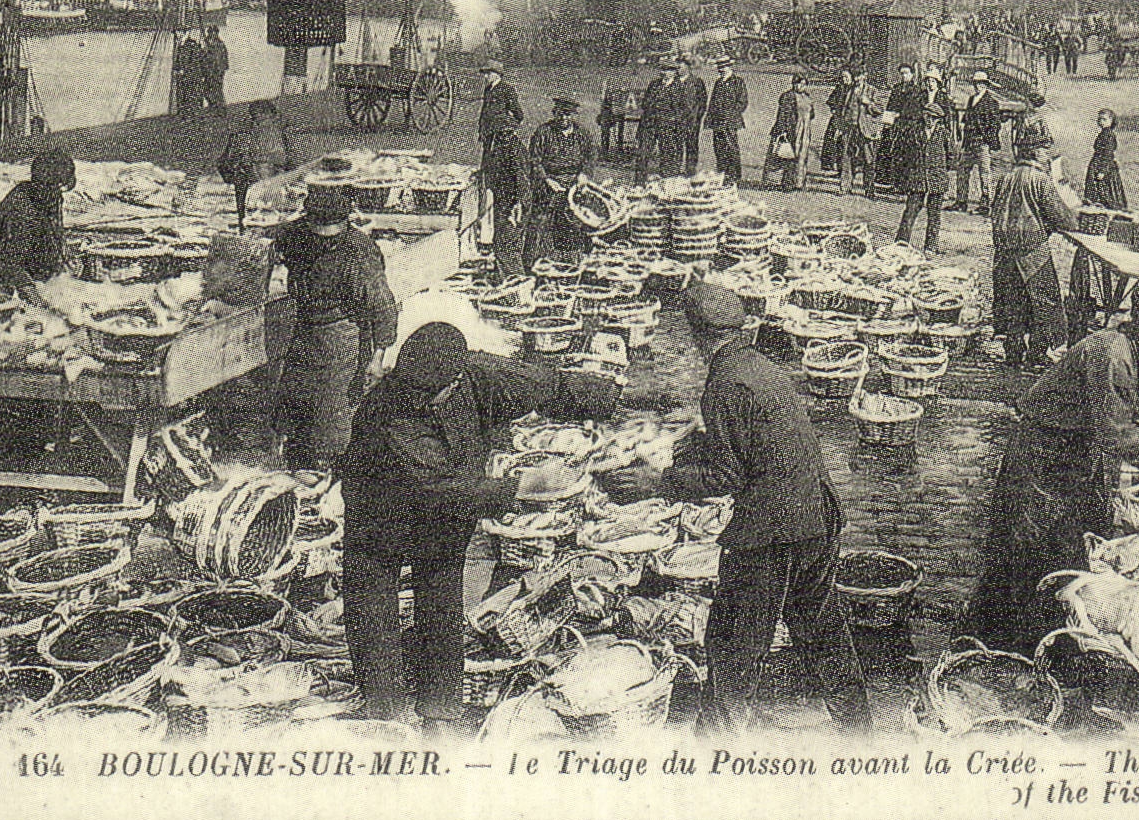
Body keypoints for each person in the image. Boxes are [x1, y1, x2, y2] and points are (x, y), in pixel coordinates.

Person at [339, 322, 620, 730]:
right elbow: (444, 490)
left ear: (455, 379)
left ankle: (441, 712)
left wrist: (611, 399)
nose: (417, 397)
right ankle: (386, 717)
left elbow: (545, 384)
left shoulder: (476, 374)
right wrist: (527, 483)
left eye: (427, 391)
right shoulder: (386, 415)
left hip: (442, 519)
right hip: (379, 518)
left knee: (441, 602)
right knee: (371, 611)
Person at [963, 280, 1139, 680]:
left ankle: (1052, 636)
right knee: (1026, 546)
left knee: (1076, 543)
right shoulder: (1110, 352)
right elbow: (1114, 433)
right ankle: (999, 646)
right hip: (1043, 453)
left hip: (1079, 455)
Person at [660, 283, 872, 735]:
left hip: (771, 532)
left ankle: (712, 753)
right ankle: (860, 732)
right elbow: (763, 442)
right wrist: (699, 441)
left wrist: (660, 482)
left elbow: (726, 478)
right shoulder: (761, 368)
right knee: (822, 631)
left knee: (734, 645)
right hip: (816, 517)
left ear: (695, 334)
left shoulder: (724, 383)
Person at [272, 186, 399, 471]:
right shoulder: (294, 236)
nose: (323, 238)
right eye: (317, 228)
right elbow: (270, 249)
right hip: (303, 330)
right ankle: (297, 468)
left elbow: (383, 308)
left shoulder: (359, 253)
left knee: (334, 416)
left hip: (342, 336)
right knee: (295, 407)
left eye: (330, 230)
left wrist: (376, 358)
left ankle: (335, 472)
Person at [991, 132, 1077, 369]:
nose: (1048, 155)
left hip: (1005, 249)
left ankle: (1013, 351)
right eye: (1044, 150)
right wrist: (1076, 222)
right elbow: (1060, 216)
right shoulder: (1039, 179)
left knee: (1013, 301)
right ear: (1034, 152)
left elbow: (994, 211)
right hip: (1031, 249)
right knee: (1044, 301)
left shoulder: (1005, 178)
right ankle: (1037, 354)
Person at [0, 150, 76, 306]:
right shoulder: (20, 209)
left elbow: (55, 233)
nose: (59, 195)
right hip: (13, 289)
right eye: (56, 188)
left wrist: (66, 256)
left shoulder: (50, 197)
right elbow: (8, 265)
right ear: (43, 185)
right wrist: (40, 304)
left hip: (46, 280)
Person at [522, 96, 595, 267]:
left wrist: (584, 174)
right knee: (540, 221)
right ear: (555, 114)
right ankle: (534, 262)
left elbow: (591, 157)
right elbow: (534, 160)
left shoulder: (582, 134)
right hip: (549, 181)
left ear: (573, 116)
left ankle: (576, 258)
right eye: (560, 115)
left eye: (567, 115)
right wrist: (546, 179)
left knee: (581, 217)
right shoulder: (543, 132)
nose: (563, 119)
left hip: (574, 181)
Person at [217, 100, 295, 230]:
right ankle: (245, 220)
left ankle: (253, 218)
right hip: (254, 171)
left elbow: (283, 158)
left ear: (270, 115)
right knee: (242, 180)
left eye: (261, 115)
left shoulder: (276, 132)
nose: (259, 119)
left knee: (258, 176)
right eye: (256, 116)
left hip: (272, 173)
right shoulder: (250, 132)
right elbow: (231, 157)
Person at [477, 59, 526, 267]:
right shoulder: (489, 89)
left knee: (497, 170)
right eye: (485, 73)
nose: (486, 76)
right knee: (487, 171)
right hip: (489, 137)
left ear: (497, 74)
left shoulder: (506, 89)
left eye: (488, 73)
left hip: (499, 135)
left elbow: (519, 113)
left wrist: (506, 126)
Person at [896, 102, 953, 253]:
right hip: (918, 177)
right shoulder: (914, 132)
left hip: (937, 178)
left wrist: (941, 170)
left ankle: (931, 246)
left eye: (934, 118)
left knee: (934, 214)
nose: (930, 120)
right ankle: (901, 243)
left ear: (938, 120)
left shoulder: (944, 134)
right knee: (911, 211)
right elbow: (903, 153)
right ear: (923, 115)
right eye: (928, 116)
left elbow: (951, 156)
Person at [955, 70, 1000, 215]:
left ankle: (985, 204)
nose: (978, 86)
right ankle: (961, 201)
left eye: (981, 83)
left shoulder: (991, 102)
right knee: (962, 170)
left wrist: (987, 140)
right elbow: (966, 118)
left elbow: (995, 125)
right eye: (976, 83)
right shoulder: (971, 99)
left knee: (984, 173)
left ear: (986, 85)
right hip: (969, 142)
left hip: (982, 143)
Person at [762, 74, 814, 191]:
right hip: (790, 129)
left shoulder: (807, 98)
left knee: (800, 157)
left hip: (804, 131)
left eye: (804, 84)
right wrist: (783, 131)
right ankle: (782, 183)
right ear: (794, 84)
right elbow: (783, 115)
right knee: (785, 156)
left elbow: (812, 114)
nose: (801, 86)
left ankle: (798, 182)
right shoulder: (788, 96)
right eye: (798, 83)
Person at [638, 59, 686, 181]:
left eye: (668, 70)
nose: (664, 73)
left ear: (674, 72)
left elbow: (681, 110)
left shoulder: (680, 87)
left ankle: (666, 181)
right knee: (643, 154)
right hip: (649, 125)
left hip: (668, 126)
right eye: (663, 69)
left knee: (668, 155)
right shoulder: (654, 85)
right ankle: (639, 182)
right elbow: (645, 104)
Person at [705, 56, 748, 186]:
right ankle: (722, 173)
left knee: (731, 148)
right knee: (719, 148)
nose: (722, 69)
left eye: (724, 66)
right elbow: (712, 102)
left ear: (730, 67)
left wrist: (730, 114)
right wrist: (709, 119)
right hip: (717, 122)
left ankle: (734, 176)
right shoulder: (719, 82)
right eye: (720, 67)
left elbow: (743, 102)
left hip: (730, 122)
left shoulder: (737, 82)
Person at [881, 63, 924, 191]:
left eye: (906, 73)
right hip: (896, 126)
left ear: (912, 74)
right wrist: (887, 122)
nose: (904, 76)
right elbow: (890, 106)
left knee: (907, 156)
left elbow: (916, 110)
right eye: (902, 73)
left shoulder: (917, 90)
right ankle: (895, 183)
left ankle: (906, 185)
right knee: (895, 153)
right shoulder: (896, 88)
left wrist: (901, 114)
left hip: (909, 126)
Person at [1084, 108, 1127, 210]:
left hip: (1104, 166)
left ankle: (1108, 210)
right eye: (1100, 119)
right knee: (1097, 191)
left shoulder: (1109, 135)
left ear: (1111, 121)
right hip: (1097, 164)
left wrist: (1103, 171)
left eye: (1104, 119)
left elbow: (1108, 154)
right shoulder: (1103, 133)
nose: (1101, 122)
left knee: (1106, 191)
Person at [852, 69, 885, 198]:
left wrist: (869, 103)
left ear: (864, 76)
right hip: (852, 129)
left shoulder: (872, 90)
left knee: (869, 160)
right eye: (855, 76)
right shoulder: (849, 91)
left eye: (859, 75)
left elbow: (880, 109)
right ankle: (846, 186)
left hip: (866, 130)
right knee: (848, 157)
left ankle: (869, 189)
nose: (856, 79)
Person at [825, 68, 857, 190]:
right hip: (837, 119)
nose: (845, 79)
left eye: (847, 77)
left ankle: (849, 172)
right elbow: (831, 101)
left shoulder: (854, 90)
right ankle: (839, 168)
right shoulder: (840, 88)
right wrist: (833, 109)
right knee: (836, 145)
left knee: (848, 147)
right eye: (843, 77)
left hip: (849, 122)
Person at [675, 55, 707, 176]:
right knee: (676, 145)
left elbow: (702, 102)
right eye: (677, 67)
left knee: (691, 145)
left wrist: (697, 117)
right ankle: (676, 169)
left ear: (688, 67)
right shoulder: (674, 82)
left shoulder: (697, 82)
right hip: (676, 120)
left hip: (692, 121)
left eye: (680, 66)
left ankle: (690, 170)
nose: (678, 69)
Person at [172, 35, 205, 115]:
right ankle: (193, 108)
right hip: (192, 75)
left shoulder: (183, 50)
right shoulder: (196, 49)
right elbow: (202, 62)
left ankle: (188, 109)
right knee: (192, 92)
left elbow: (178, 64)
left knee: (189, 92)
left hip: (190, 75)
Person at [201, 25, 229, 115]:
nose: (210, 34)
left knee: (216, 90)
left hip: (216, 71)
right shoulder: (208, 44)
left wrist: (219, 70)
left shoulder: (219, 44)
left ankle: (220, 109)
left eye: (212, 33)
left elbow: (220, 59)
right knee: (207, 90)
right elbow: (204, 58)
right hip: (209, 72)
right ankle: (214, 107)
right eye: (209, 33)